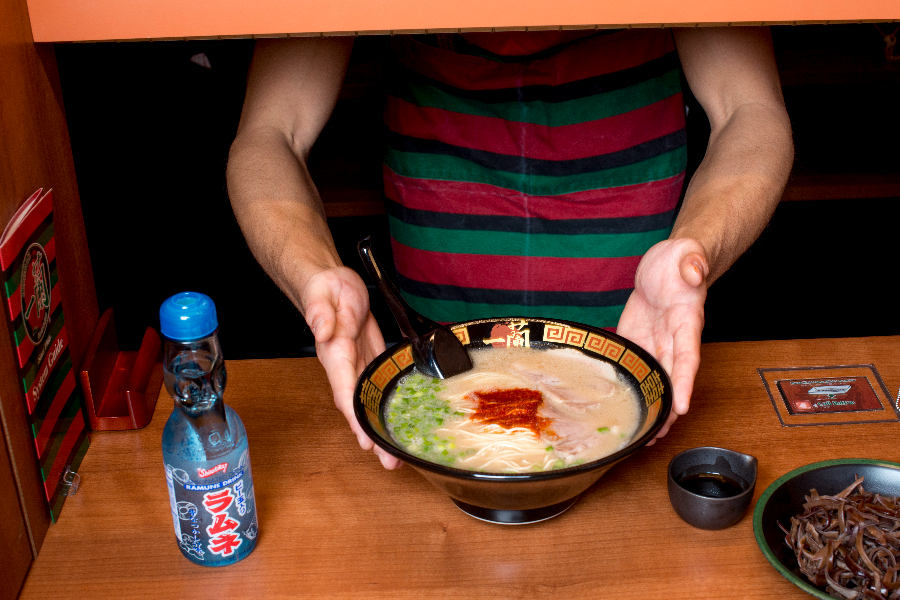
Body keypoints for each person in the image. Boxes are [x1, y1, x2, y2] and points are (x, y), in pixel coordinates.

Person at [226, 27, 793, 469]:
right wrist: (313, 274)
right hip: (438, 283)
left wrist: (695, 252)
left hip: (634, 295)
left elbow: (751, 112)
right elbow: (270, 133)